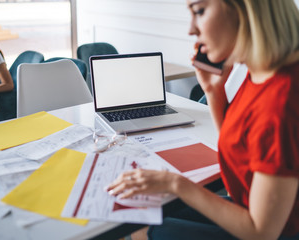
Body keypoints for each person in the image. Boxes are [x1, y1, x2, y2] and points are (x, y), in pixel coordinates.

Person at [106, 1, 299, 239]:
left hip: (268, 229)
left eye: (199, 11)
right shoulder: (261, 72)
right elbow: (237, 152)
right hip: (247, 206)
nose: (191, 30)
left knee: (140, 229)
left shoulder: (279, 103)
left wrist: (176, 183)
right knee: (146, 212)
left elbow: (261, 231)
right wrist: (213, 91)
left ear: (247, 11)